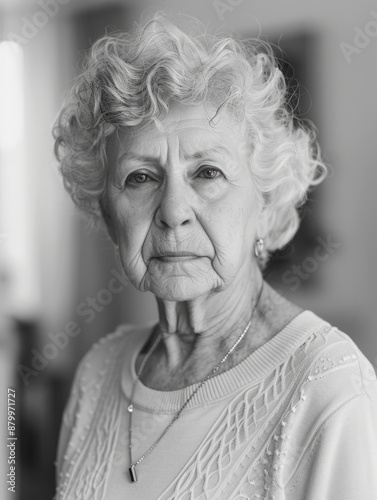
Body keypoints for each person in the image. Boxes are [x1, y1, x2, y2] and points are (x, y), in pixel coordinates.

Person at [53, 12, 377, 500]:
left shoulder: (329, 386)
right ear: (105, 211)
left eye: (207, 173)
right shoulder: (98, 371)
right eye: (141, 177)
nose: (173, 211)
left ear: (266, 207)